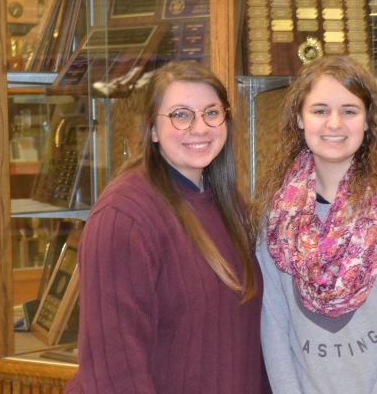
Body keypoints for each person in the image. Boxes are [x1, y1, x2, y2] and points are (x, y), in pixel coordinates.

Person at [65, 61, 265, 393]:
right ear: (153, 130)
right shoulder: (124, 218)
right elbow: (116, 373)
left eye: (212, 113)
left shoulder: (227, 204)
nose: (200, 128)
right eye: (181, 115)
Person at [252, 55, 377, 394]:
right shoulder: (276, 216)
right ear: (299, 118)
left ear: (368, 121)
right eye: (320, 110)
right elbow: (274, 325)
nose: (334, 123)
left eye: (349, 111)